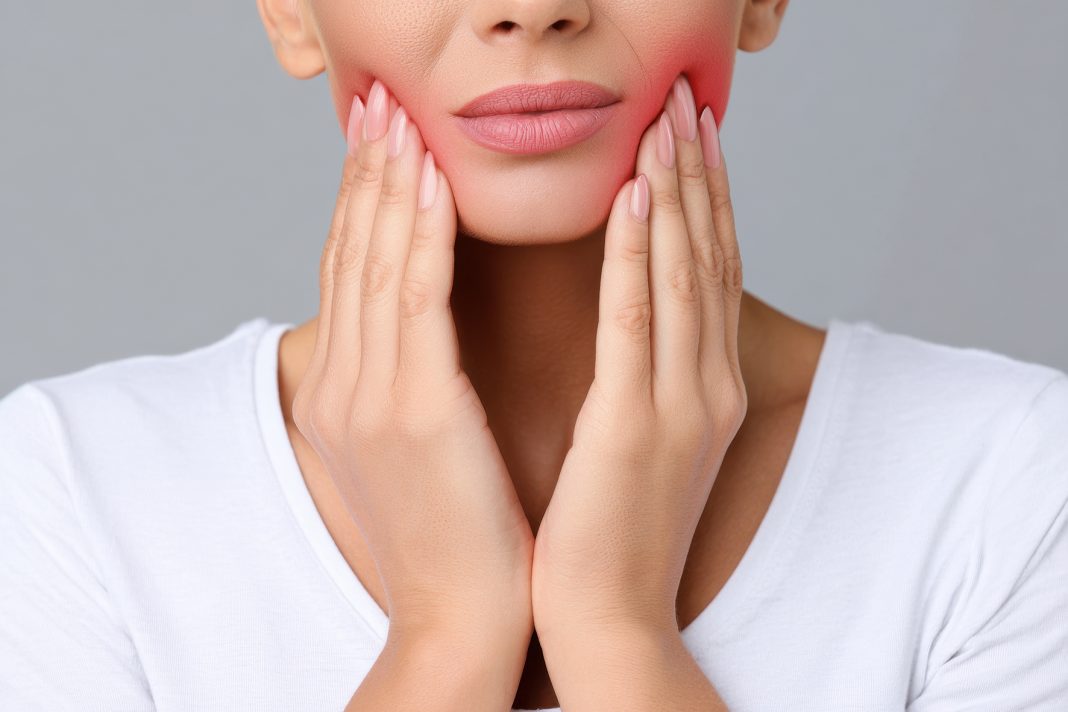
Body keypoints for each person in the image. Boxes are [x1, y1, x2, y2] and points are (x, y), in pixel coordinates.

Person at [2, 0, 1066, 710]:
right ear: (290, 8)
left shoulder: (1011, 486)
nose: (534, 5)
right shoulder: (69, 497)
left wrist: (616, 634)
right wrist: (446, 638)